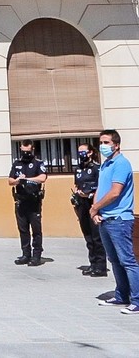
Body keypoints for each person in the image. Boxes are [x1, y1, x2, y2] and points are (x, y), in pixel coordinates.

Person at [90, 129, 139, 314]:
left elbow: (115, 192)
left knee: (128, 260)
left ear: (116, 145)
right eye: (101, 143)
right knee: (115, 260)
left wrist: (96, 208)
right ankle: (121, 295)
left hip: (119, 219)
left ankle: (137, 300)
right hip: (105, 219)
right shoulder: (105, 165)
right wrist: (95, 210)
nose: (102, 146)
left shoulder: (121, 164)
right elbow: (100, 190)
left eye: (106, 142)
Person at [8, 139, 47, 266]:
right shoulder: (17, 163)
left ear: (32, 149)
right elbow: (10, 181)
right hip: (21, 201)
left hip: (34, 201)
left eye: (28, 151)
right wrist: (18, 181)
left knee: (36, 230)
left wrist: (27, 179)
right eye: (23, 151)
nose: (25, 153)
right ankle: (26, 254)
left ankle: (36, 256)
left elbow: (42, 178)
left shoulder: (37, 163)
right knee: (23, 229)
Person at [71, 142, 106, 276]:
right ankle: (92, 264)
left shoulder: (98, 168)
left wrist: (90, 194)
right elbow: (77, 184)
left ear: (90, 152)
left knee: (96, 236)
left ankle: (101, 266)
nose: (81, 155)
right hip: (81, 204)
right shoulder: (78, 168)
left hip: (93, 203)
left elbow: (101, 187)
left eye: (83, 152)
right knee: (88, 236)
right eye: (79, 152)